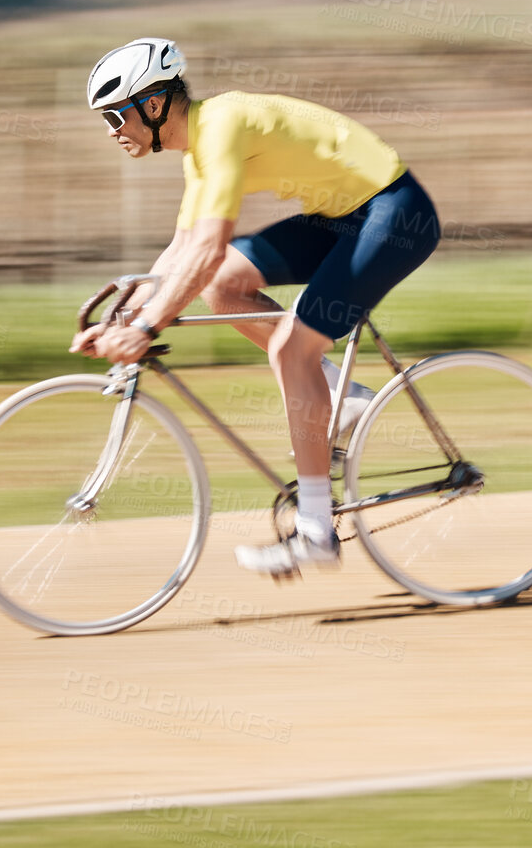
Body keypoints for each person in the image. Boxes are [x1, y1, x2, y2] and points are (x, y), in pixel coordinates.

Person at [69, 37, 442, 577]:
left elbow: (206, 246)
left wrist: (148, 326)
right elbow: (179, 255)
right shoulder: (198, 149)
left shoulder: (219, 130)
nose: (111, 130)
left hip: (393, 213)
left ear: (152, 105)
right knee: (220, 285)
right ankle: (340, 395)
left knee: (293, 350)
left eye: (115, 114)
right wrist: (122, 319)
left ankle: (316, 531)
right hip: (342, 217)